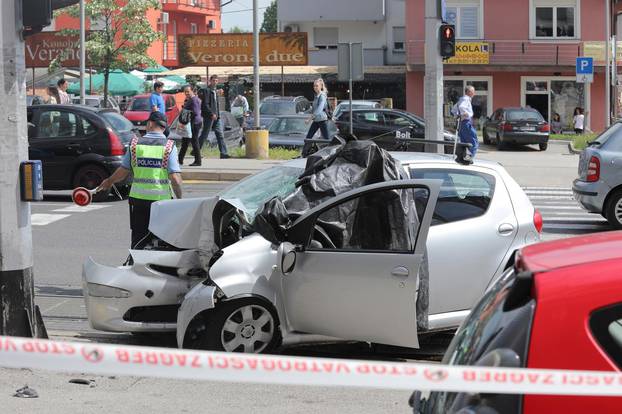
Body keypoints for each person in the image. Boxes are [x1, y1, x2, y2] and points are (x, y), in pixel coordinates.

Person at [97, 111, 183, 249]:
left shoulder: (135, 144)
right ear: (163, 128)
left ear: (149, 124)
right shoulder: (169, 146)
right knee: (161, 239)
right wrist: (179, 198)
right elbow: (175, 179)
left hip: (138, 201)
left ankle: (134, 263)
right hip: (162, 202)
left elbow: (123, 171)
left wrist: (109, 181)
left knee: (138, 238)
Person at [198, 75, 229, 158]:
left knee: (220, 135)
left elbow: (215, 104)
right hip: (209, 117)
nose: (215, 82)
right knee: (205, 134)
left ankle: (224, 153)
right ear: (210, 81)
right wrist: (211, 114)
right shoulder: (207, 91)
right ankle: (196, 151)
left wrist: (217, 114)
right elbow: (205, 104)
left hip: (217, 117)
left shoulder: (215, 91)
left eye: (216, 81)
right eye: (213, 80)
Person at [301, 79, 330, 156]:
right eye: (314, 86)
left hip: (322, 120)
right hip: (317, 120)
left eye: (317, 86)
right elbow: (313, 109)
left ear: (321, 86)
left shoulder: (322, 96)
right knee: (308, 138)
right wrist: (304, 112)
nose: (315, 87)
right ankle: (304, 154)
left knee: (327, 139)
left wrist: (309, 119)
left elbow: (319, 110)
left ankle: (330, 155)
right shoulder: (316, 96)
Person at [451, 85, 479, 161]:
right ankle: (470, 158)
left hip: (461, 123)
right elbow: (461, 107)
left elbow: (453, 110)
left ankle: (462, 157)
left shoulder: (461, 99)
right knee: (474, 141)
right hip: (466, 123)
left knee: (464, 142)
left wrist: (458, 115)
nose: (474, 93)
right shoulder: (466, 99)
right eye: (473, 91)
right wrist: (465, 113)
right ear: (469, 92)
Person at [178, 85, 203, 166]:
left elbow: (195, 112)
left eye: (188, 91)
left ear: (192, 91)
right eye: (185, 91)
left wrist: (186, 112)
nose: (186, 93)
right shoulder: (190, 99)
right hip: (190, 123)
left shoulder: (194, 99)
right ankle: (180, 160)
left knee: (194, 142)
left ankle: (198, 161)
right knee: (185, 142)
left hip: (194, 123)